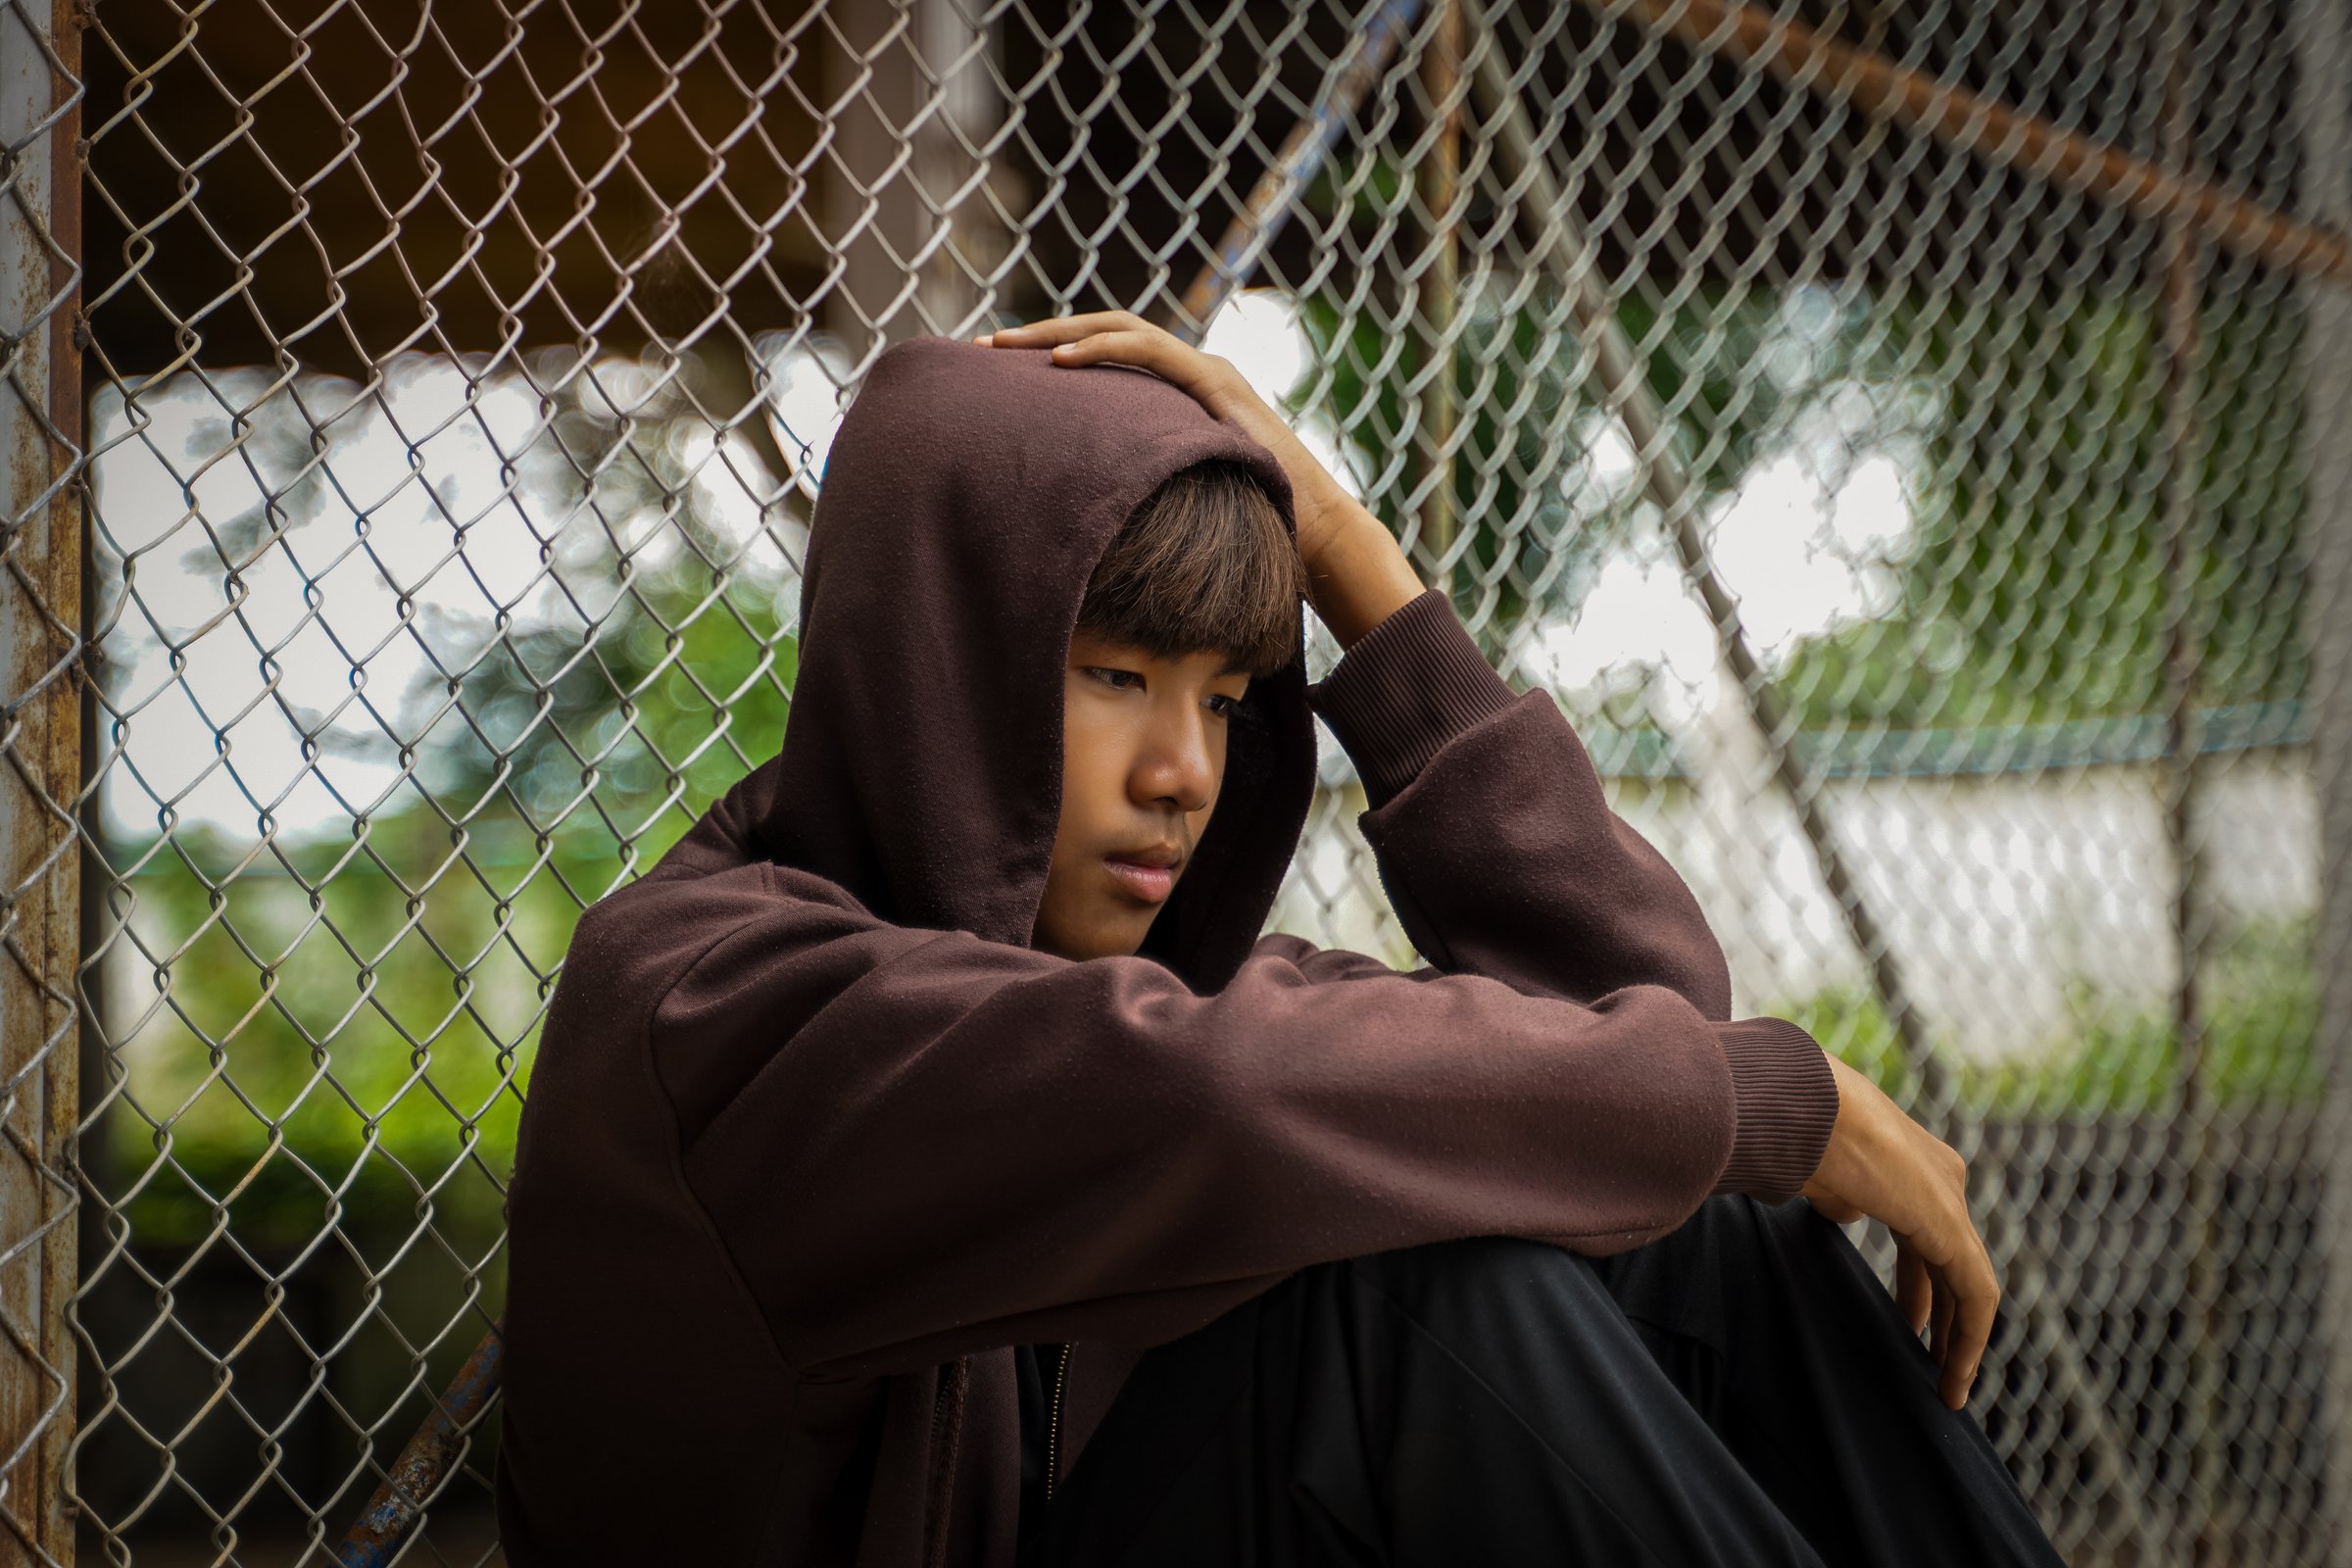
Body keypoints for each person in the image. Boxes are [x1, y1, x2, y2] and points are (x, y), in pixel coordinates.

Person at [493, 313, 2066, 1568]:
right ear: (941, 654)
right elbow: (1211, 1102)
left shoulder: (1154, 990)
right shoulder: (707, 1000)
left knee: (1697, 1233)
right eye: (1116, 676)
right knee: (1392, 1306)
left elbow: (1633, 1010)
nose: (1186, 771)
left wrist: (1338, 542)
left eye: (1230, 702)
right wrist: (1772, 1103)